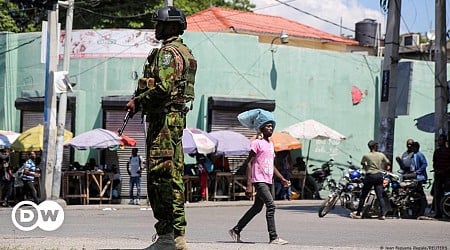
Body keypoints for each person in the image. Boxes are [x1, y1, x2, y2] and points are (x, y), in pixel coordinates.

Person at [125, 6, 197, 250]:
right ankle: (177, 237)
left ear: (174, 26)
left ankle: (167, 235)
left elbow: (164, 88)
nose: (156, 28)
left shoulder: (168, 53)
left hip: (164, 122)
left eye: (161, 24)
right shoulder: (185, 51)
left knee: (160, 177)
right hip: (174, 120)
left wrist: (138, 101)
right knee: (173, 176)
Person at [229, 120, 289, 245]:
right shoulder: (257, 143)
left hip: (268, 180)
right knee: (271, 205)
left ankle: (236, 230)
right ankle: (273, 237)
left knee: (257, 208)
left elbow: (271, 165)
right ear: (262, 129)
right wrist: (249, 184)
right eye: (268, 126)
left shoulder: (271, 144)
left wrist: (282, 179)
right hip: (259, 180)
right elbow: (249, 163)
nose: (271, 128)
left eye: (272, 126)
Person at [351, 140, 391, 220]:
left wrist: (367, 168)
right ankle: (383, 214)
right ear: (375, 146)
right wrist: (387, 170)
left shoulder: (366, 155)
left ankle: (358, 213)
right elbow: (388, 163)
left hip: (370, 176)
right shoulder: (381, 155)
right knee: (380, 196)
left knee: (363, 195)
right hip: (379, 176)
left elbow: (363, 164)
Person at [431, 134, 450, 218]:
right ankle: (438, 212)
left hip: (447, 175)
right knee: (437, 194)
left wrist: (444, 170)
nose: (439, 142)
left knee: (447, 193)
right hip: (438, 175)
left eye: (441, 140)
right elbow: (434, 162)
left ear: (445, 141)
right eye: (438, 140)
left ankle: (446, 210)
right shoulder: (437, 151)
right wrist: (437, 170)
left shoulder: (448, 151)